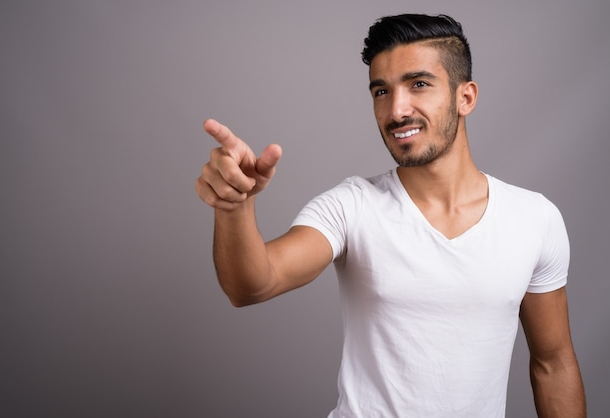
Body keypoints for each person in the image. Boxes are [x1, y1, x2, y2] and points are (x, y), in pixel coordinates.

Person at [196, 13, 586, 417]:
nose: (397, 110)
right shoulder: (352, 206)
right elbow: (252, 286)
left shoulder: (533, 218)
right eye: (381, 91)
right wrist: (234, 206)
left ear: (465, 97)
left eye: (418, 84)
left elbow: (553, 363)